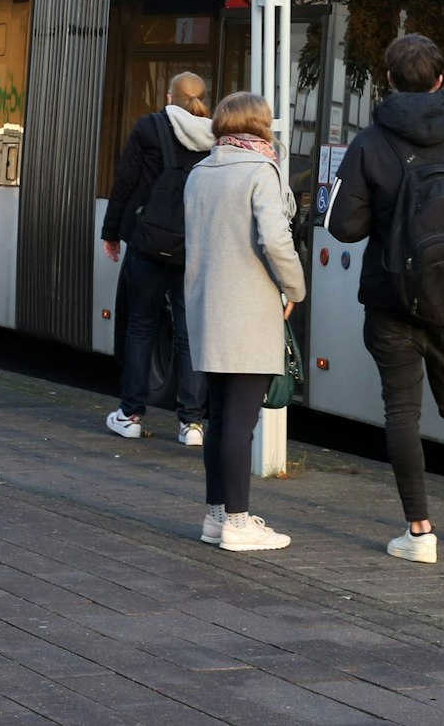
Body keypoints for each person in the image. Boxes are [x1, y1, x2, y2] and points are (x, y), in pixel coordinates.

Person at [326, 34, 444, 564]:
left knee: (402, 413)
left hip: (391, 299)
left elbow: (341, 225)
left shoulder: (370, 140)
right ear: (440, 80)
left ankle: (419, 532)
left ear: (388, 80)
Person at [185, 91, 306, 552]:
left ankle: (217, 515)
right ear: (260, 125)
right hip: (249, 310)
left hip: (207, 308)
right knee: (240, 420)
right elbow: (275, 240)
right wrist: (295, 287)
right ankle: (238, 521)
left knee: (220, 417)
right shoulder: (261, 171)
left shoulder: (200, 172)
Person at [101, 72, 216, 445]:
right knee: (188, 332)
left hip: (147, 243)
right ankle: (192, 423)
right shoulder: (215, 135)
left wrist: (111, 233)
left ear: (170, 97)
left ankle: (130, 415)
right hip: (192, 247)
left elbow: (125, 181)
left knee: (140, 326)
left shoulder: (150, 127)